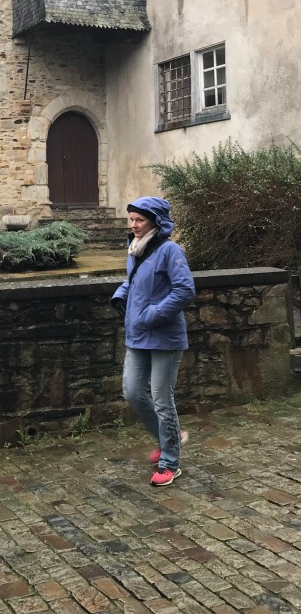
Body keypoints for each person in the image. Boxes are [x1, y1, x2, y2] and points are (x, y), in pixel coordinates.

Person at [112, 197, 195, 487]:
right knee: (133, 392)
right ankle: (169, 436)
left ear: (155, 222)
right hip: (138, 335)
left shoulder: (170, 250)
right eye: (131, 219)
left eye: (140, 220)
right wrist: (122, 293)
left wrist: (152, 314)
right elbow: (135, 281)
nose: (133, 225)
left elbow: (185, 290)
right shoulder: (135, 248)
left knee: (162, 399)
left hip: (165, 337)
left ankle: (170, 463)